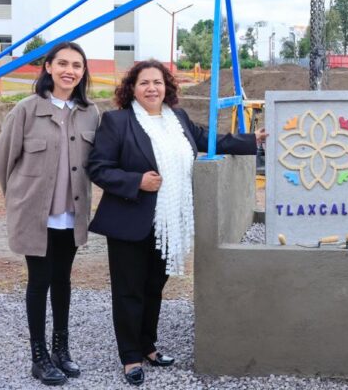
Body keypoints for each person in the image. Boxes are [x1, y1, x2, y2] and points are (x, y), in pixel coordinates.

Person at [87, 59, 267, 386]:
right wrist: (136, 181)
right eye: (144, 83)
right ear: (132, 88)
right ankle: (130, 357)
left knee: (154, 287)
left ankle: (148, 346)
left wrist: (251, 141)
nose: (152, 88)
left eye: (157, 82)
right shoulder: (117, 122)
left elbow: (209, 140)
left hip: (169, 223)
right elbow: (98, 168)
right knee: (129, 292)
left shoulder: (178, 118)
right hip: (130, 221)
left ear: (167, 87)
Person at [0, 41, 99, 385]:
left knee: (63, 281)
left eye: (77, 65)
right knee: (39, 281)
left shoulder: (91, 113)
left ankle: (61, 350)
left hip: (71, 215)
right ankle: (39, 357)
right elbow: (3, 160)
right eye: (63, 63)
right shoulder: (26, 110)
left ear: (84, 72)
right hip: (35, 215)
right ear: (49, 67)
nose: (70, 70)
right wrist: (19, 201)